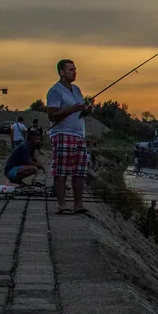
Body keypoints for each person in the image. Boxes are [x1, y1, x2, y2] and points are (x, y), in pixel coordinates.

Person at [46, 59, 93, 214]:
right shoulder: (55, 91)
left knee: (79, 172)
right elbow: (52, 116)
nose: (74, 72)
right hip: (62, 134)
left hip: (79, 135)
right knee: (61, 171)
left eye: (75, 69)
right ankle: (62, 205)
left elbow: (78, 113)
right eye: (70, 70)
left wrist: (86, 110)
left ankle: (78, 205)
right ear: (61, 72)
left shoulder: (77, 90)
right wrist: (70, 109)